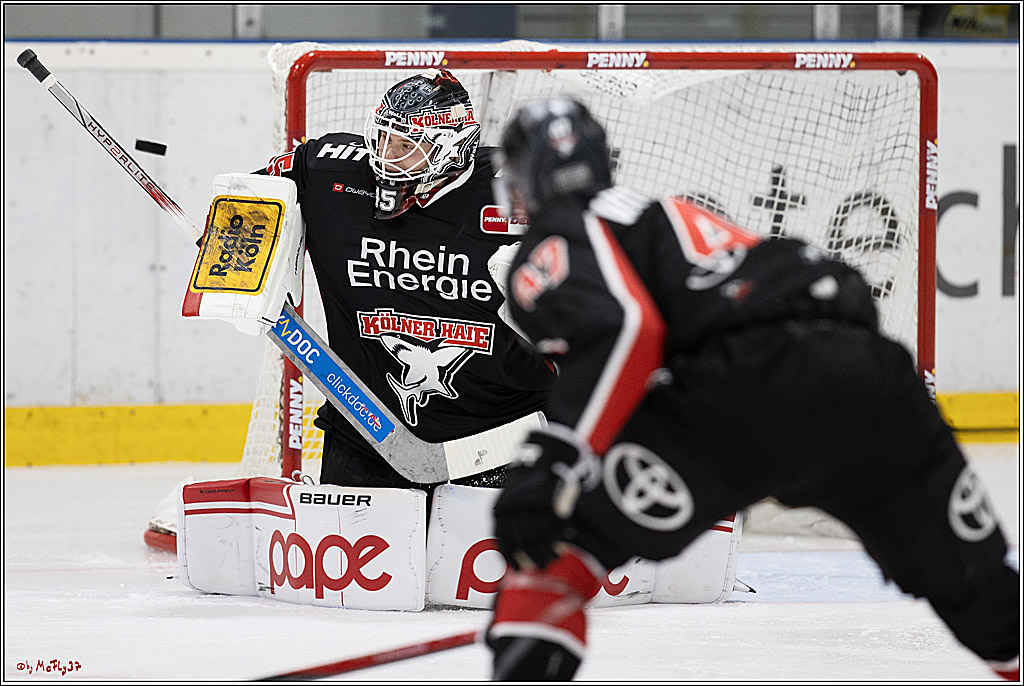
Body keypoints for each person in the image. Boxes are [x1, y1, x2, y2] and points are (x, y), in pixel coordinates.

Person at [483, 96, 1020, 681]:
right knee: (984, 592)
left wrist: (554, 458)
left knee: (549, 549)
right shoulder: (670, 213)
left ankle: (534, 638)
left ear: (525, 177)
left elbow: (627, 329)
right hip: (868, 378)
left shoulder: (555, 239)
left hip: (740, 396)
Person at [259, 69, 554, 491]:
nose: (386, 156)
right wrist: (234, 245)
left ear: (452, 149)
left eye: (406, 146)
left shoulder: (524, 188)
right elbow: (250, 200)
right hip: (366, 435)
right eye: (383, 139)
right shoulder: (330, 170)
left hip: (503, 439)